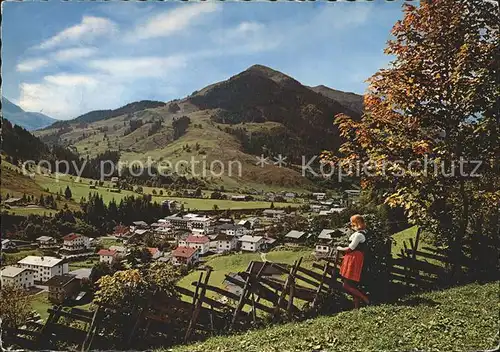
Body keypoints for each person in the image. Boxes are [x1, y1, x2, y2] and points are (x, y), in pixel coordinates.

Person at [336, 214, 370, 308]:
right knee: (351, 285)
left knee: (346, 285)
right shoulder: (359, 233)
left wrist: (340, 248)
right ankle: (356, 306)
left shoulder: (359, 235)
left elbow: (351, 248)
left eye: (353, 224)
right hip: (352, 258)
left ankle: (365, 299)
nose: (352, 226)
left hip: (354, 258)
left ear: (357, 223)